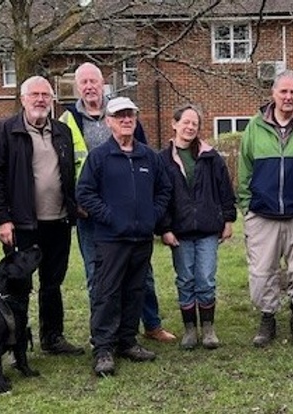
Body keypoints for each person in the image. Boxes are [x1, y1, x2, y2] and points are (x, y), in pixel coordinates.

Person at [59, 63, 175, 344]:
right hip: (93, 215)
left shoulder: (126, 113)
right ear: (77, 86)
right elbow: (63, 166)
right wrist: (81, 206)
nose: (89, 87)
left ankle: (149, 325)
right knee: (98, 278)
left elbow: (152, 170)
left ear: (103, 83)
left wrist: (151, 214)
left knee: (141, 276)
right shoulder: (68, 119)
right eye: (83, 82)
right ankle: (101, 335)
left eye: (93, 81)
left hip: (135, 218)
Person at [0, 76, 83, 355]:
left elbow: (69, 174)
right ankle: (16, 342)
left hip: (59, 221)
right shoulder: (4, 130)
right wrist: (3, 219)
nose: (40, 100)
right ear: (23, 99)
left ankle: (53, 338)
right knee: (20, 286)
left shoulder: (62, 131)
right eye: (34, 94)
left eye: (45, 95)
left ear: (52, 100)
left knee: (53, 283)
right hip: (22, 224)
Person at [76, 97, 172, 376]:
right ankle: (104, 348)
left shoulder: (148, 156)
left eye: (130, 115)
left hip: (141, 239)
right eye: (120, 116)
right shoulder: (100, 157)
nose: (126, 120)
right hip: (111, 239)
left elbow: (164, 189)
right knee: (107, 293)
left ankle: (127, 341)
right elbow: (84, 193)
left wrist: (152, 216)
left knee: (134, 291)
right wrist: (110, 218)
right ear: (109, 121)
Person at [238, 70, 293, 348]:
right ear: (273, 94)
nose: (288, 97)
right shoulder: (254, 127)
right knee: (262, 272)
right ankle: (268, 319)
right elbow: (244, 170)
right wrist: (246, 208)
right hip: (263, 214)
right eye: (283, 92)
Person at [159, 104, 236, 350]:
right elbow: (159, 197)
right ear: (174, 124)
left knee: (205, 279)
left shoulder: (210, 157)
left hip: (207, 229)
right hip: (179, 231)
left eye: (195, 123)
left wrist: (228, 219)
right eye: (186, 122)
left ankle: (208, 328)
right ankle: (190, 329)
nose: (190, 127)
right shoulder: (162, 160)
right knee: (185, 279)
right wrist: (164, 228)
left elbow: (225, 189)